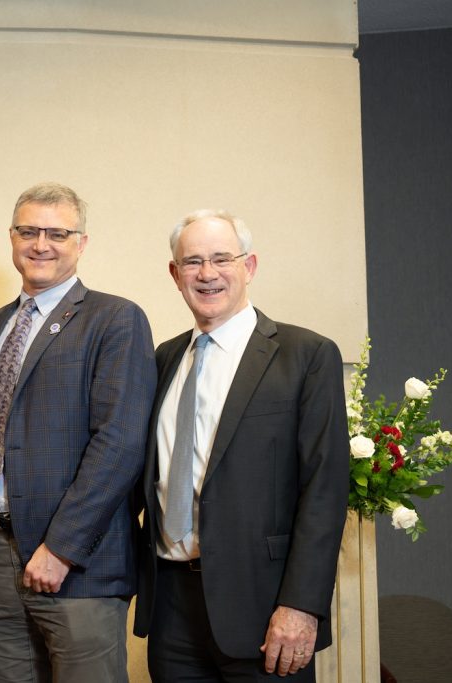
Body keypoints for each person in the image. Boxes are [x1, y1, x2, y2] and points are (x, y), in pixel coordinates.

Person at [133, 209, 349, 681]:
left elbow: (325, 492)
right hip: (171, 610)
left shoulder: (306, 356)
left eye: (221, 258)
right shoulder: (164, 358)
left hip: (264, 608)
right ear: (175, 275)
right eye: (191, 262)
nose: (207, 274)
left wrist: (300, 606)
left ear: (248, 266)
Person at [0, 182, 156, 683]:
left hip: (76, 564)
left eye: (57, 233)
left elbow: (120, 443)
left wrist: (62, 547)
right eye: (29, 231)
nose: (40, 244)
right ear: (11, 237)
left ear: (81, 243)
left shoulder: (115, 319)